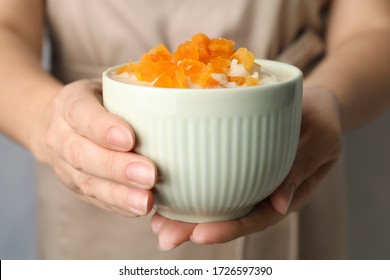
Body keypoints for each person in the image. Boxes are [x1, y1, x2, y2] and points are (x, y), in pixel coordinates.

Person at [1, 0, 390, 259]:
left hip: (290, 143)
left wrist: (327, 100)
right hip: (93, 174)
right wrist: (48, 118)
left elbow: (373, 26)